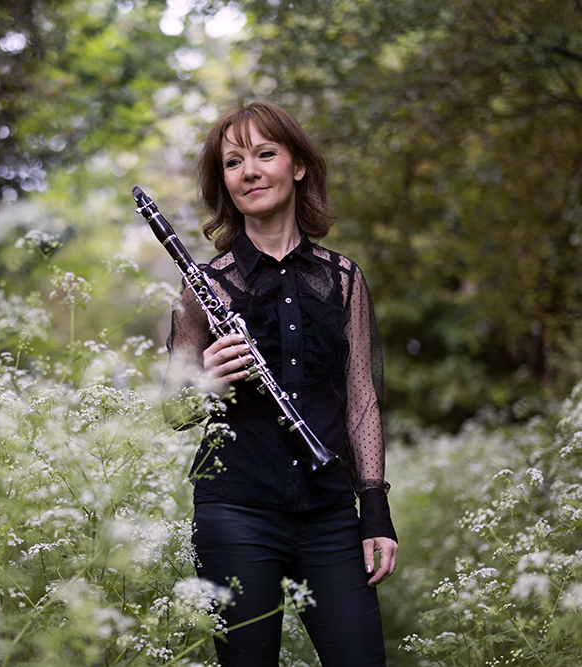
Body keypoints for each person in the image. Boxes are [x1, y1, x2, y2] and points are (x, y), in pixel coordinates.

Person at [162, 100, 398, 667]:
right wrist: (207, 385)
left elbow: (362, 397)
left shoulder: (343, 279)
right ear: (224, 181)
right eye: (233, 161)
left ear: (297, 167)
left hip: (330, 513)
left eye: (265, 154)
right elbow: (173, 411)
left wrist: (375, 511)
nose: (249, 171)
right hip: (236, 511)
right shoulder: (204, 288)